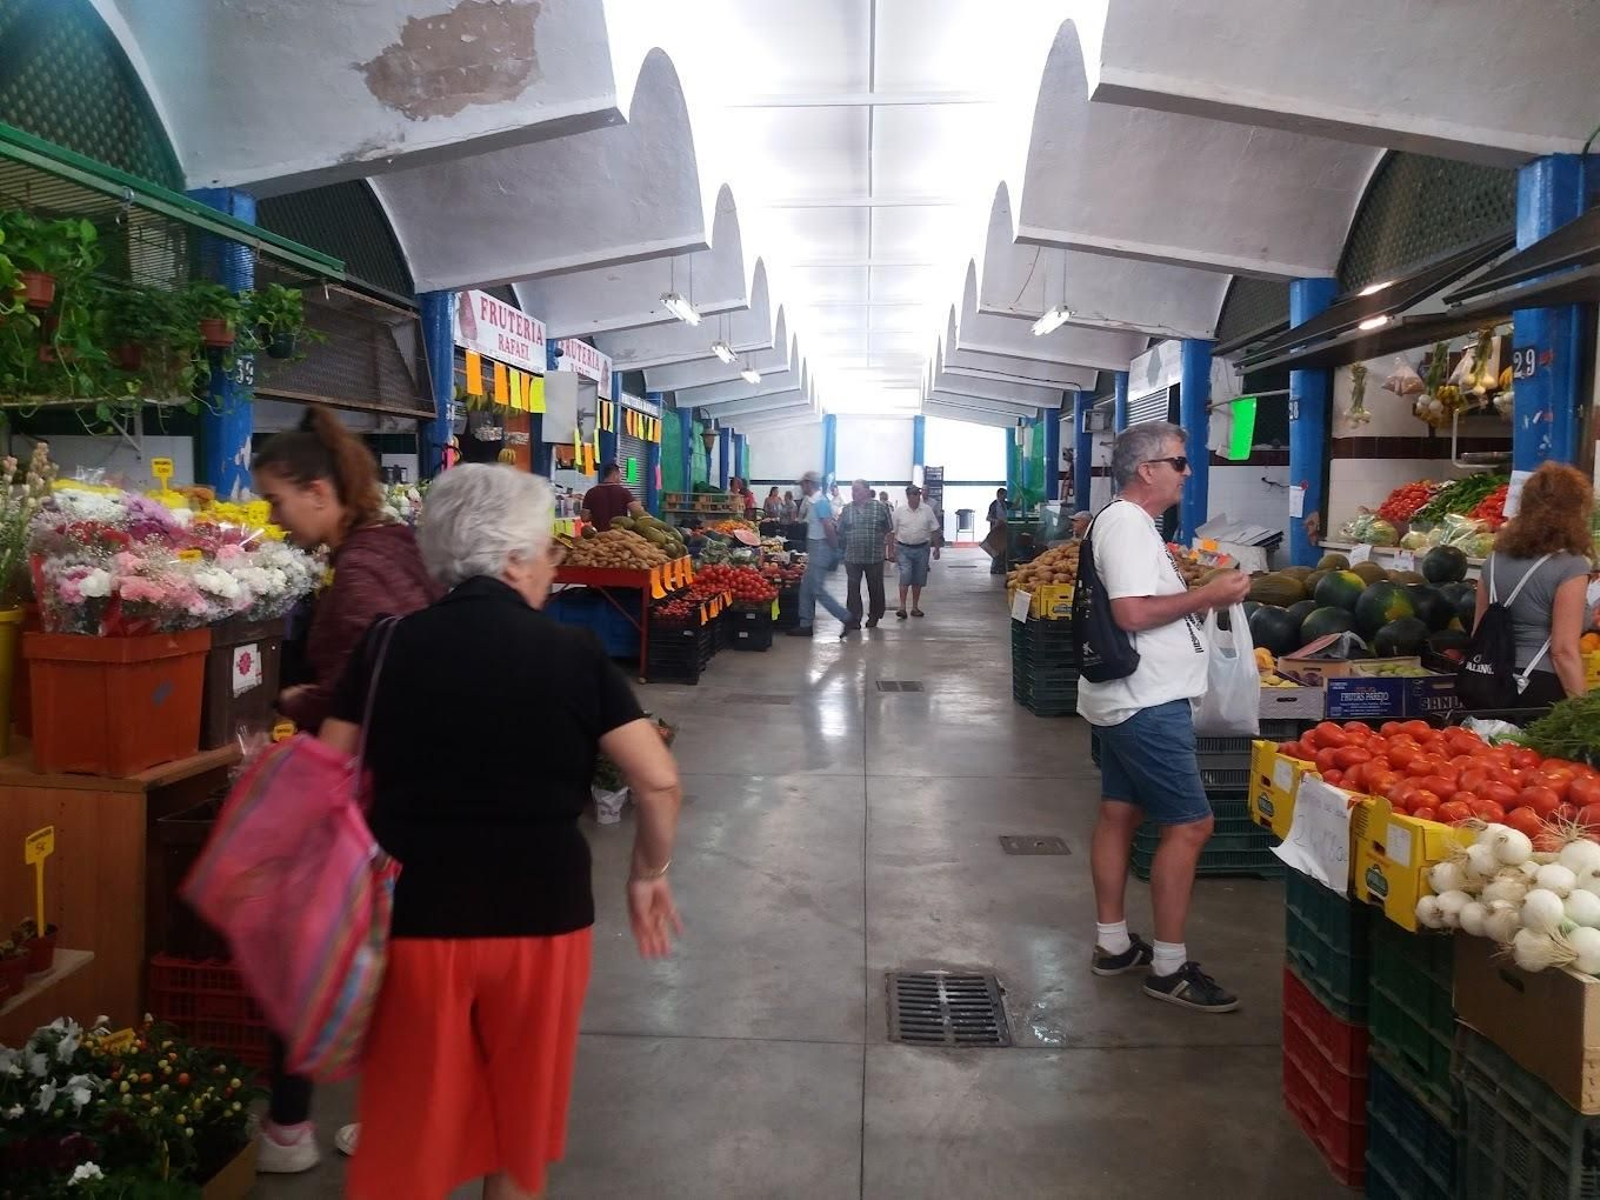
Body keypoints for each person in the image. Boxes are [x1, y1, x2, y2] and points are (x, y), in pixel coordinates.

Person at [322, 465, 682, 1200]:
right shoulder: (574, 654)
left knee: (413, 1125)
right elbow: (657, 780)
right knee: (518, 1134)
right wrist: (648, 874)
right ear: (515, 558)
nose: (554, 563)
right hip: (543, 920)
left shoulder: (388, 645)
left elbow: (326, 775)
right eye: (549, 549)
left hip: (415, 919)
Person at [249, 407, 439, 1173]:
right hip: (417, 789)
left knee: (306, 949)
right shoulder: (396, 545)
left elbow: (373, 681)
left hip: (371, 792)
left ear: (320, 490)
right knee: (386, 954)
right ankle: (384, 1110)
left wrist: (304, 702)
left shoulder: (358, 571)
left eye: (277, 500)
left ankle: (292, 1127)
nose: (273, 516)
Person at [1077, 422, 1251, 1014]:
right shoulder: (1127, 523)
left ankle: (1114, 944)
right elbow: (1128, 613)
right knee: (1191, 825)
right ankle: (1170, 967)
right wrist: (1211, 596)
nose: (1187, 471)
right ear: (1146, 470)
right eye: (1179, 462)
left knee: (1119, 813)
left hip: (1126, 698)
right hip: (1145, 702)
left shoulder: (1128, 524)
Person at [1472, 462, 1594, 703]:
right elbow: (1562, 651)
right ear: (1575, 511)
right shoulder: (1571, 565)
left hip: (1490, 681)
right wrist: (1581, 709)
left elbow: (1480, 630)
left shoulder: (1494, 559)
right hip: (1537, 685)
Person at [787, 470, 852, 638]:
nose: (801, 487)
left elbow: (828, 527)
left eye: (803, 484)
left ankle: (845, 617)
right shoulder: (814, 502)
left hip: (821, 548)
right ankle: (805, 624)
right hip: (815, 547)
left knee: (817, 589)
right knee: (806, 588)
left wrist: (834, 549)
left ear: (809, 484)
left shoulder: (821, 502)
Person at [836, 479, 893, 633]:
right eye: (853, 490)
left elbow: (888, 528)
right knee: (853, 589)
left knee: (875, 587)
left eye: (857, 490)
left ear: (867, 491)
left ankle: (875, 615)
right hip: (852, 557)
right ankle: (854, 618)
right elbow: (840, 530)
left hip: (874, 556)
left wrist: (889, 549)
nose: (854, 493)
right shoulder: (847, 509)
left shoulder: (880, 508)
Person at [893, 484, 943, 619]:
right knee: (905, 575)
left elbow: (935, 530)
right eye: (912, 494)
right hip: (904, 548)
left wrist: (937, 548)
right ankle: (902, 607)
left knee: (918, 579)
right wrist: (891, 551)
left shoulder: (927, 510)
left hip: (922, 549)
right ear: (908, 496)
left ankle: (915, 607)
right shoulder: (899, 511)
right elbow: (893, 531)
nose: (915, 497)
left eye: (917, 494)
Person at [582, 461, 645, 532]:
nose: (620, 478)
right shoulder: (623, 492)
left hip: (599, 536)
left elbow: (584, 518)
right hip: (620, 535)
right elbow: (637, 511)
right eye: (620, 475)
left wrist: (597, 514)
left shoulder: (591, 492)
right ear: (615, 475)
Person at [985, 487, 1009, 574]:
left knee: (1003, 549)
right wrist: (997, 521)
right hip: (996, 530)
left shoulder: (1005, 504)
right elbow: (988, 518)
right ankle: (994, 568)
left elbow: (1015, 505)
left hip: (1004, 529)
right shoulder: (994, 505)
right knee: (997, 549)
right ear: (999, 494)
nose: (1005, 497)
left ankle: (1001, 568)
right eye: (1004, 495)